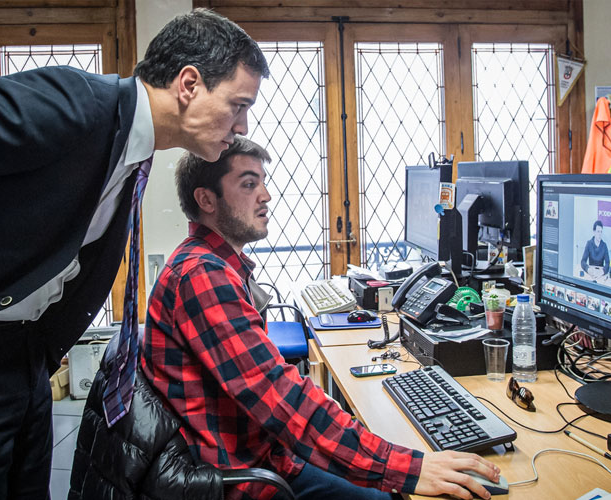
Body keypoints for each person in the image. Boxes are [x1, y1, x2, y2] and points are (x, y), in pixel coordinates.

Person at [0, 9, 269, 499]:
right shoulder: (78, 103)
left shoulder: (134, 151)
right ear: (189, 84)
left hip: (21, 357)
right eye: (237, 104)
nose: (242, 124)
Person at [133, 136, 499, 500]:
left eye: (262, 182)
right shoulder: (202, 276)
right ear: (206, 199)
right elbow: (281, 398)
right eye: (248, 184)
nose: (265, 195)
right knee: (397, 493)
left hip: (262, 454)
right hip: (245, 476)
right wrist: (408, 467)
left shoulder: (209, 264)